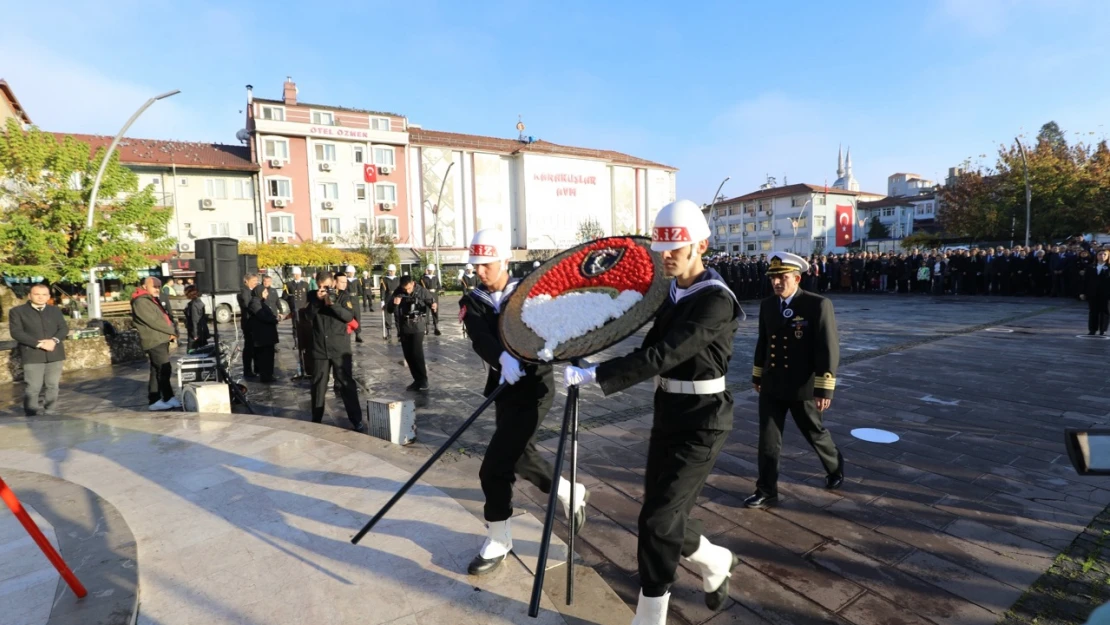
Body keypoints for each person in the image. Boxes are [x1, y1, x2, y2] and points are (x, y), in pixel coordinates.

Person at [564, 200, 743, 624]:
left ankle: (649, 617)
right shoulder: (674, 291)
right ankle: (715, 559)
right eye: (662, 249)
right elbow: (647, 347)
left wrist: (599, 377)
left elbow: (665, 353)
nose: (666, 257)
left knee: (660, 521)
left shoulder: (715, 300)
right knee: (659, 516)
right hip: (670, 414)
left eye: (675, 250)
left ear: (701, 245)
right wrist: (593, 360)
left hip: (704, 420)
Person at [460, 228, 589, 577]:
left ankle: (499, 539)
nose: (480, 271)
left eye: (486, 264)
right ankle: (568, 490)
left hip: (534, 388)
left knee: (494, 467)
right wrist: (502, 358)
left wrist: (574, 356)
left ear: (504, 260)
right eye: (476, 265)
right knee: (521, 455)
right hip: (503, 385)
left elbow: (559, 327)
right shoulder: (473, 299)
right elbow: (479, 335)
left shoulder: (531, 291)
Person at [746, 252, 844, 511]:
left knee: (814, 433)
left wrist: (824, 388)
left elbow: (827, 348)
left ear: (797, 278)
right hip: (772, 384)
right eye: (773, 278)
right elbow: (763, 343)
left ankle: (835, 465)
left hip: (802, 386)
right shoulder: (767, 305)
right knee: (768, 440)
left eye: (783, 277)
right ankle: (766, 490)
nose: (777, 282)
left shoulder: (817, 304)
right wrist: (758, 375)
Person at [305, 271, 366, 432]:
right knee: (318, 385)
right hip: (320, 348)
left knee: (346, 384)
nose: (323, 289)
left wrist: (333, 304)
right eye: (320, 286)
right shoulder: (312, 296)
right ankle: (316, 418)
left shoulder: (343, 296)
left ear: (332, 283)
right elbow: (308, 316)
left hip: (339, 347)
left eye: (326, 286)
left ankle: (356, 419)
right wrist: (317, 301)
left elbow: (348, 316)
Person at [9, 283, 68, 416]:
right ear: (29, 296)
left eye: (44, 294)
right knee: (33, 387)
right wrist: (39, 344)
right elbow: (17, 332)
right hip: (32, 354)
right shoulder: (17, 312)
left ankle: (50, 410)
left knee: (53, 385)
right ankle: (31, 412)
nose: (41, 297)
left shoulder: (55, 310)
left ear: (48, 296)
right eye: (37, 294)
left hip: (55, 353)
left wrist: (54, 340)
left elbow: (63, 328)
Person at [131, 277, 180, 410]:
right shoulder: (141, 301)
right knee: (164, 368)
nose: (157, 289)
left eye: (159, 287)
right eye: (154, 287)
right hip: (154, 340)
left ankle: (157, 399)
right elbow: (153, 321)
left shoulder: (150, 299)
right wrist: (171, 331)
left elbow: (162, 317)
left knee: (156, 369)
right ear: (144, 286)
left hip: (159, 338)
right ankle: (164, 397)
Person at [385, 276, 435, 391]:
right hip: (404, 326)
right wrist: (394, 303)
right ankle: (417, 380)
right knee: (408, 355)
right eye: (405, 289)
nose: (407, 291)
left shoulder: (422, 291)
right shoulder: (398, 292)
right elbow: (389, 309)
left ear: (413, 283)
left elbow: (431, 302)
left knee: (417, 353)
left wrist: (434, 305)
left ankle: (423, 380)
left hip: (418, 326)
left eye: (409, 288)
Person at [248, 283, 280, 383]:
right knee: (264, 357)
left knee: (269, 356)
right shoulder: (255, 303)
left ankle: (269, 375)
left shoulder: (261, 302)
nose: (267, 294)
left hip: (267, 335)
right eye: (265, 292)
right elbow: (263, 316)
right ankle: (265, 376)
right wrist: (274, 319)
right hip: (262, 335)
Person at [1082, 248, 1110, 335]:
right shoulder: (1091, 267)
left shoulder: (1109, 267)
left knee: (1104, 311)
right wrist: (1082, 292)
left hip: (1106, 293)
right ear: (1096, 256)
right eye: (1100, 254)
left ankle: (1103, 329)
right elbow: (1085, 280)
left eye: (1104, 254)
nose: (1102, 256)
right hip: (1092, 292)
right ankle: (1092, 329)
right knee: (1093, 311)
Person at [237, 273, 259, 378]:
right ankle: (247, 370)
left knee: (255, 347)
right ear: (246, 281)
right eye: (254, 280)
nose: (256, 283)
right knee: (249, 347)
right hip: (248, 322)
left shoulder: (252, 291)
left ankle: (256, 368)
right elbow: (248, 304)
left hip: (255, 322)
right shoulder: (243, 291)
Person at [183, 285, 210, 350]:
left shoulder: (193, 305)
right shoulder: (199, 302)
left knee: (191, 351)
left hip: (194, 332)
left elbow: (194, 320)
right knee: (203, 349)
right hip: (202, 330)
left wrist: (195, 335)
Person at [379, 264, 401, 341]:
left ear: (395, 271)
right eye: (390, 271)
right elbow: (382, 290)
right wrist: (382, 300)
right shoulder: (384, 280)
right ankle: (389, 332)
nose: (391, 272)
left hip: (396, 298)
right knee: (387, 316)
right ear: (388, 271)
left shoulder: (398, 279)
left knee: (398, 315)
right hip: (388, 298)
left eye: (393, 271)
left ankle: (399, 332)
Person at [344, 265, 365, 343]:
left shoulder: (356, 280)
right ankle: (347, 334)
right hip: (348, 300)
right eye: (350, 272)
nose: (352, 274)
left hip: (355, 300)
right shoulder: (345, 280)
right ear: (348, 273)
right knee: (348, 317)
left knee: (357, 317)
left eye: (352, 272)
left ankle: (357, 334)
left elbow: (360, 291)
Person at [420, 264, 442, 336]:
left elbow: (439, 286)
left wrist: (436, 291)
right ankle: (426, 328)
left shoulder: (435, 277)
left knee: (435, 311)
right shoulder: (423, 278)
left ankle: (436, 326)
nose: (430, 271)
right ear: (427, 270)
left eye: (432, 270)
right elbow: (420, 287)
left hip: (434, 295)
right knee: (426, 311)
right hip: (426, 296)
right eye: (429, 270)